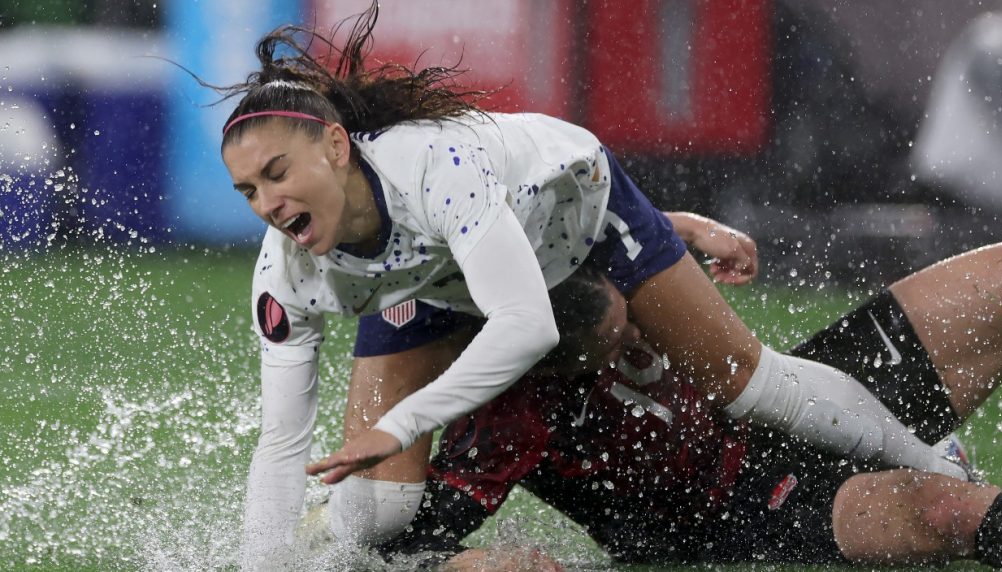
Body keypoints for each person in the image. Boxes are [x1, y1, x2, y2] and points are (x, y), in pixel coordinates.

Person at [217, 3, 964, 563]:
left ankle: (938, 463)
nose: (267, 205)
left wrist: (403, 423)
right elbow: (282, 443)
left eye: (277, 173)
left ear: (338, 147)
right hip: (445, 275)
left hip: (575, 218)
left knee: (752, 385)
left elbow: (527, 325)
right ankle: (321, 552)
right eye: (248, 190)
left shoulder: (434, 168)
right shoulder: (287, 275)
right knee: (379, 508)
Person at [363, 232, 1002, 569]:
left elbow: (617, 204)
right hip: (752, 509)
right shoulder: (504, 422)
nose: (646, 326)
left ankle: (915, 450)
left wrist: (682, 228)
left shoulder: (574, 236)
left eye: (631, 311)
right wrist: (490, 563)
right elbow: (392, 552)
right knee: (948, 507)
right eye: (615, 340)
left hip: (801, 395)